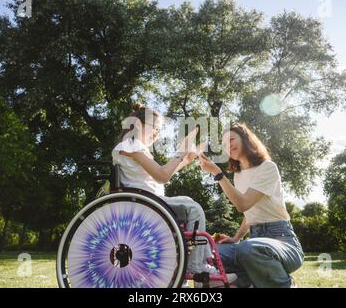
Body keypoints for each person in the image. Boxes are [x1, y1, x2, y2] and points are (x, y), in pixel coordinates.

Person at [111, 103, 216, 278]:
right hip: (146, 203)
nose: (156, 134)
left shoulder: (133, 146)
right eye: (155, 128)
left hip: (148, 201)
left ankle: (196, 263)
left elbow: (160, 174)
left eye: (159, 131)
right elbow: (162, 176)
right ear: (138, 124)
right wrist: (180, 152)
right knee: (194, 209)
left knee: (189, 202)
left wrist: (185, 159)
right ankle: (196, 266)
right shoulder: (131, 144)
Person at [198, 123, 304, 288]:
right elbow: (250, 213)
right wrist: (235, 238)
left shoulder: (267, 167)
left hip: (282, 240)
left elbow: (243, 205)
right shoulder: (238, 176)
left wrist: (217, 174)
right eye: (225, 145)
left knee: (248, 249)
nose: (228, 146)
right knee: (207, 254)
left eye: (231, 139)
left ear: (246, 139)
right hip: (254, 241)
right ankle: (249, 281)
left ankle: (286, 284)